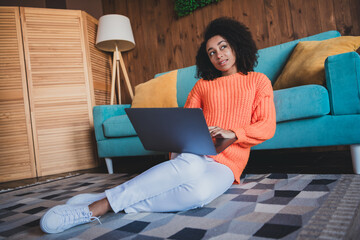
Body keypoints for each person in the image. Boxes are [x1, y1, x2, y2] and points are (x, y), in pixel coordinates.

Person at [40, 17, 276, 234]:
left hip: (229, 163)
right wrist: (175, 153)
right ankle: (94, 209)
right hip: (197, 151)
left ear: (236, 45)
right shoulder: (203, 86)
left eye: (223, 46)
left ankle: (108, 198)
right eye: (211, 52)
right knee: (188, 169)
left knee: (198, 195)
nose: (218, 55)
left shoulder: (258, 81)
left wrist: (234, 132)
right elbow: (184, 123)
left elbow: (266, 126)